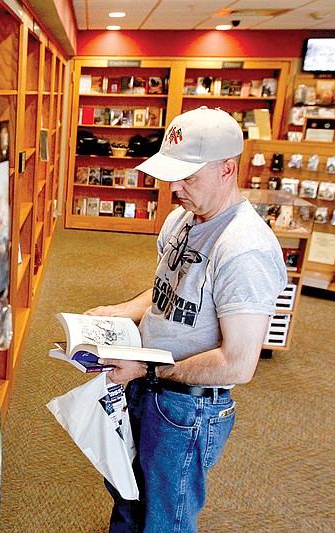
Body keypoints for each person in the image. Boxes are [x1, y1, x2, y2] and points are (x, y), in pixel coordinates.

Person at [84, 106, 287, 533]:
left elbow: (238, 363)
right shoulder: (182, 219)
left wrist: (144, 367)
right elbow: (164, 293)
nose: (174, 187)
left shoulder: (245, 248)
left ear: (227, 171)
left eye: (188, 177)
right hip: (145, 384)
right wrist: (116, 313)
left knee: (165, 520)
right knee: (128, 496)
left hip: (187, 408)